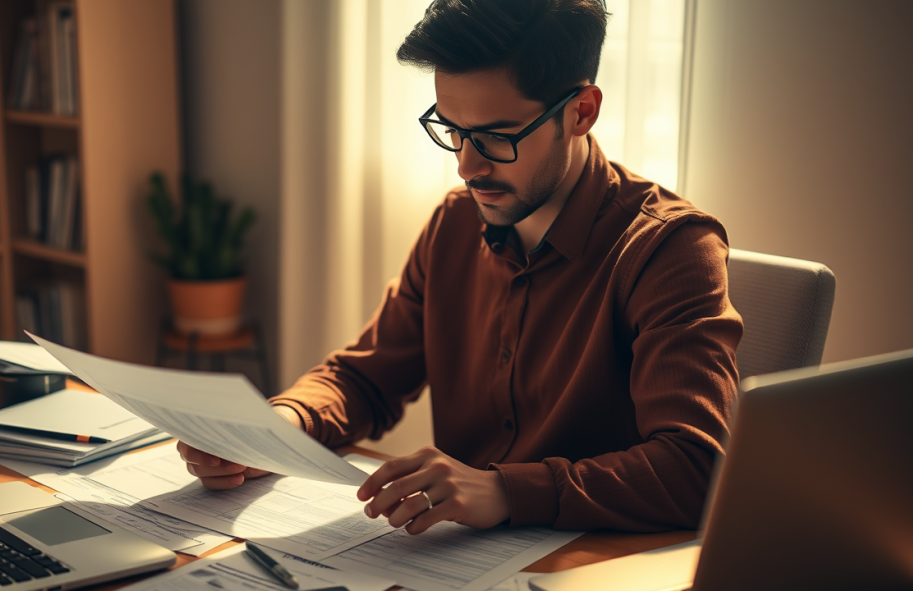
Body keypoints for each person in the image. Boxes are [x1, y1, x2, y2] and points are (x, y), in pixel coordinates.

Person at [179, 0, 742, 534]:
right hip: (450, 560)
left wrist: (504, 492)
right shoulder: (453, 224)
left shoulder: (670, 250)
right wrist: (280, 427)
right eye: (453, 130)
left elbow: (695, 468)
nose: (467, 167)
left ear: (581, 112)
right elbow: (365, 378)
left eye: (497, 138)